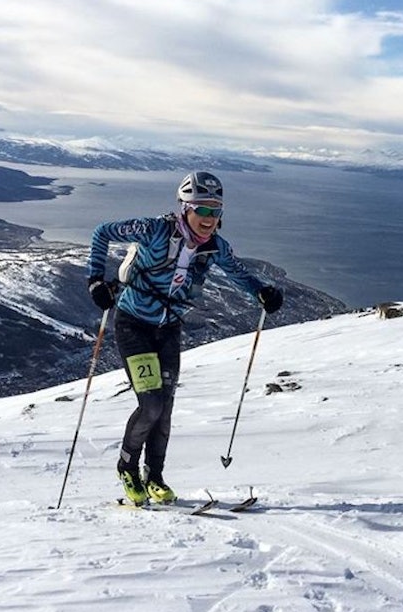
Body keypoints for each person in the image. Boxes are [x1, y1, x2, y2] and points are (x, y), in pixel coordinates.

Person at [87, 171, 284, 505]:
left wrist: (262, 292)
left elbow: (238, 273)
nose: (209, 218)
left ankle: (156, 477)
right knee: (150, 404)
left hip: (169, 330)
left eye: (216, 211)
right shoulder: (153, 230)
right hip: (133, 325)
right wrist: (95, 281)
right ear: (184, 208)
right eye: (202, 209)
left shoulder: (214, 248)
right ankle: (127, 467)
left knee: (165, 408)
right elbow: (101, 232)